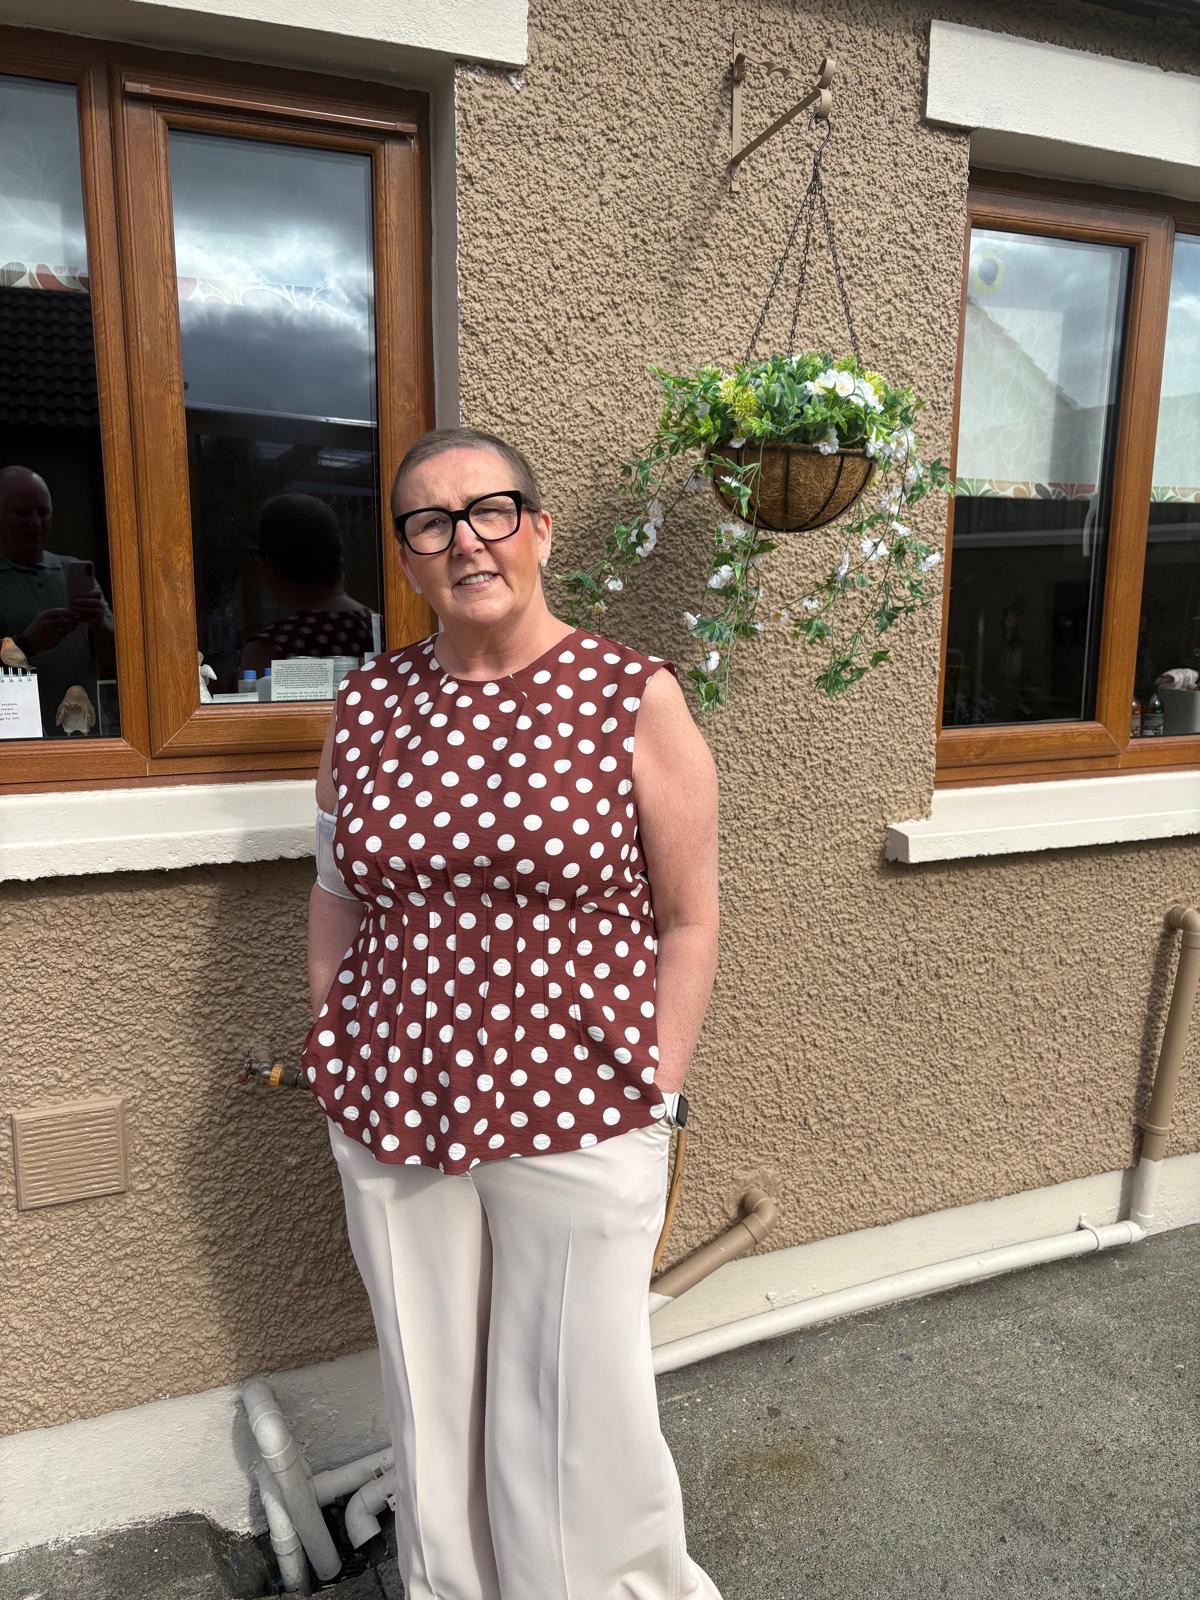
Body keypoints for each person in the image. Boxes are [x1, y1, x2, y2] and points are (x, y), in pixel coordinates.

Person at [303, 427, 722, 1598]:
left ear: (536, 529)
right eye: (430, 523)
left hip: (583, 1106)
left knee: (579, 1413)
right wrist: (336, 1045)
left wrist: (657, 1085)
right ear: (406, 558)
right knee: (429, 1395)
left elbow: (689, 919)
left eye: (489, 510)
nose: (465, 541)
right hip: (391, 1106)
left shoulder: (631, 696)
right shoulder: (367, 704)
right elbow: (335, 894)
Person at [0, 466, 115, 736]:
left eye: (43, 512)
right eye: (22, 513)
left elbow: (118, 664)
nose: (35, 523)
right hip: (17, 747)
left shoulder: (71, 572)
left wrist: (100, 622)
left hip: (86, 740)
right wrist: (27, 644)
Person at [237, 493, 374, 683]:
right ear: (339, 555)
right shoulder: (381, 630)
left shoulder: (266, 648)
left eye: (257, 556)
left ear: (269, 564)